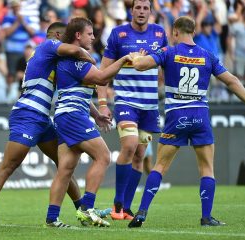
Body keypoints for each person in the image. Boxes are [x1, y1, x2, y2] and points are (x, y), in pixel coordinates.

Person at [127, 16, 245, 228]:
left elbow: (141, 66)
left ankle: (142, 212)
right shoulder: (207, 55)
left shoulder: (168, 52)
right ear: (194, 32)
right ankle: (207, 217)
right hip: (200, 116)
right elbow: (232, 81)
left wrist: (136, 57)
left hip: (176, 116)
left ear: (175, 32)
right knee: (207, 168)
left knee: (160, 166)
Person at [0, 22, 103, 229]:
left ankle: (81, 211)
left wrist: (95, 113)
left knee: (64, 165)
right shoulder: (48, 45)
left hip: (43, 119)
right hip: (27, 114)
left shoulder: (56, 60)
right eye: (64, 36)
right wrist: (88, 57)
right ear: (58, 36)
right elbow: (76, 49)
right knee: (8, 166)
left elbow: (73, 90)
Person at [45, 17, 132, 228]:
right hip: (73, 116)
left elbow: (78, 93)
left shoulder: (74, 58)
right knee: (103, 156)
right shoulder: (76, 59)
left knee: (65, 169)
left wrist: (96, 114)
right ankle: (87, 208)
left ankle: (52, 218)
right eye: (90, 34)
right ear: (78, 35)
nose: (93, 37)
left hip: (66, 115)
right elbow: (102, 78)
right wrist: (122, 59)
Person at [96, 0, 168, 220]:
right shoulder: (118, 34)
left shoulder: (159, 33)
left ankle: (125, 208)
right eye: (138, 7)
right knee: (128, 146)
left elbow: (165, 64)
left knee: (140, 154)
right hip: (126, 102)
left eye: (146, 8)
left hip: (149, 106)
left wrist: (162, 85)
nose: (141, 11)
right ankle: (118, 204)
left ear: (150, 12)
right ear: (131, 11)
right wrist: (102, 103)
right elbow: (103, 72)